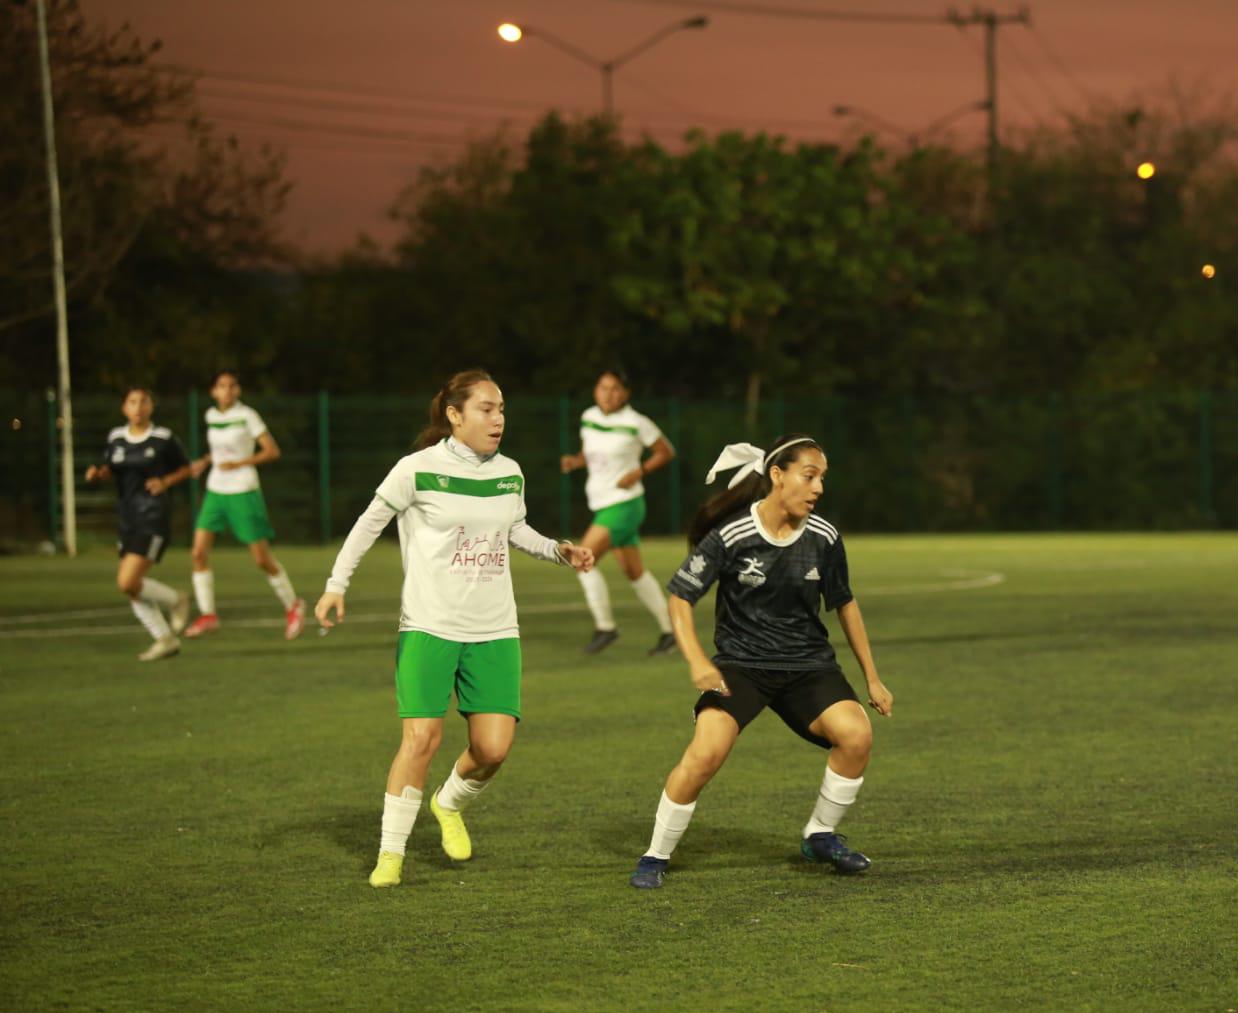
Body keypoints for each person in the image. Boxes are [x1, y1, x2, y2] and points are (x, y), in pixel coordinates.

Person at [314, 369, 595, 888]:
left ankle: (448, 804)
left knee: (493, 750)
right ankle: (391, 856)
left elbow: (516, 530)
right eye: (487, 409)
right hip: (429, 626)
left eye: (502, 409)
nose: (498, 419)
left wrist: (558, 549)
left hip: (495, 630)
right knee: (420, 738)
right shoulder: (416, 470)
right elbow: (368, 523)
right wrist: (336, 585)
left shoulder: (510, 472)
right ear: (454, 415)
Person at [627, 434, 894, 890]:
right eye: (809, 476)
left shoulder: (824, 537)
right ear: (777, 475)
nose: (818, 488)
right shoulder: (733, 535)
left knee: (856, 735)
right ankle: (655, 855)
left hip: (807, 666)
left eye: (822, 479)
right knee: (706, 752)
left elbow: (845, 604)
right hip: (741, 666)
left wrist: (873, 677)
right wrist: (696, 662)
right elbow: (680, 597)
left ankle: (820, 834)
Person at [558, 369, 677, 655]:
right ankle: (671, 631)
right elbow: (592, 452)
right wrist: (576, 461)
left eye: (614, 389)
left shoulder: (637, 422)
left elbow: (665, 451)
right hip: (603, 504)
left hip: (624, 504)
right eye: (603, 388)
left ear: (625, 393)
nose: (608, 394)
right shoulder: (589, 417)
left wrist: (640, 471)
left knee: (581, 559)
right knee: (635, 572)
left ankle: (606, 627)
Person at [183, 370, 306, 640]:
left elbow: (271, 451)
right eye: (221, 386)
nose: (227, 391)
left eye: (232, 386)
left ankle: (293, 605)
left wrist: (239, 463)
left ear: (237, 391)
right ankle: (208, 614)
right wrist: (206, 461)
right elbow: (218, 452)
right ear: (213, 391)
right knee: (198, 553)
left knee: (261, 558)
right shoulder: (211, 416)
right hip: (215, 490)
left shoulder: (248, 415)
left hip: (243, 490)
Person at [84, 387, 193, 661]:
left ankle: (176, 599)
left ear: (151, 407)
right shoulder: (116, 437)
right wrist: (97, 474)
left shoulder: (163, 438)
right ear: (124, 407)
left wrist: (165, 482)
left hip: (154, 515)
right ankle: (165, 639)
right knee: (133, 588)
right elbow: (110, 468)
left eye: (144, 401)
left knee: (127, 581)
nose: (138, 407)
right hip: (128, 517)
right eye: (132, 402)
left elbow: (186, 468)